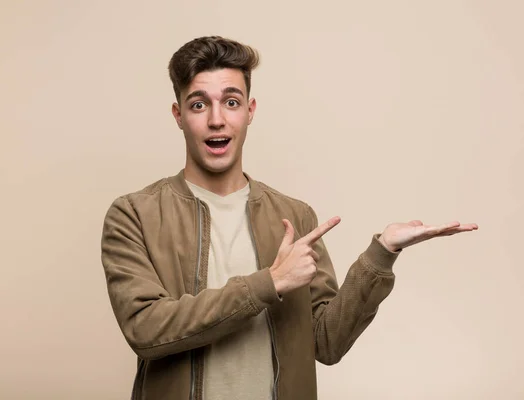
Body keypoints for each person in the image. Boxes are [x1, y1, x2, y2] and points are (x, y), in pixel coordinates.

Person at [100, 35, 478, 400]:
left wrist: (381, 254)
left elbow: (327, 342)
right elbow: (146, 329)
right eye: (199, 105)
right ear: (178, 115)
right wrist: (270, 282)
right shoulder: (134, 214)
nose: (216, 119)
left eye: (231, 102)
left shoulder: (294, 216)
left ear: (249, 111)